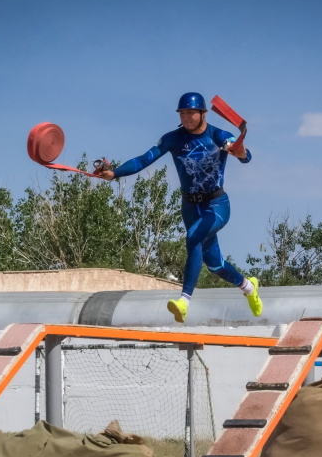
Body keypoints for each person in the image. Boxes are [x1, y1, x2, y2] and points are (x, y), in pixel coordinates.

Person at [94, 92, 262, 323]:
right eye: (182, 113)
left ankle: (184, 301)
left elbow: (245, 155)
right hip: (190, 206)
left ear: (203, 113)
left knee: (193, 239)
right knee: (214, 264)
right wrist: (115, 174)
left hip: (216, 204)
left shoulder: (218, 135)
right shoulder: (173, 138)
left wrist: (240, 152)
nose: (186, 117)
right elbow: (144, 159)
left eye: (190, 113)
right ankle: (249, 287)